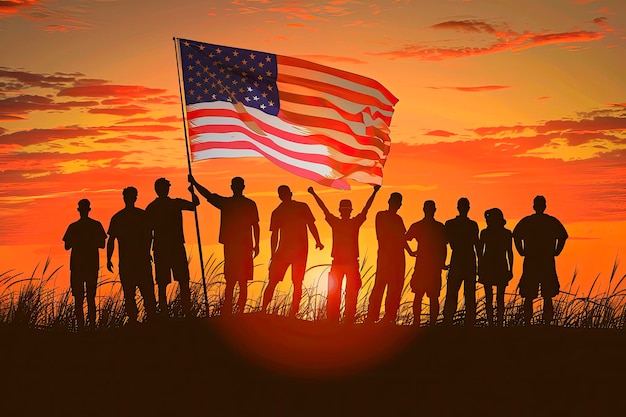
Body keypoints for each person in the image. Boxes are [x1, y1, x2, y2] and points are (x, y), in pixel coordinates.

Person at [308, 185, 380, 323]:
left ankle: (337, 319)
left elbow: (324, 209)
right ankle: (344, 319)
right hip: (347, 263)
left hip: (344, 263)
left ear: (341, 211)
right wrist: (374, 192)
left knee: (340, 293)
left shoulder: (339, 222)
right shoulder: (352, 223)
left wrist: (314, 194)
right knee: (348, 293)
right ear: (348, 211)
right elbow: (366, 208)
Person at [189, 175, 260, 315]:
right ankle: (233, 310)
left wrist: (194, 183)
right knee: (236, 280)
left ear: (232, 187)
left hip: (239, 247)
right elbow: (256, 226)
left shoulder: (232, 203)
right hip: (238, 246)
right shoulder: (243, 203)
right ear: (242, 187)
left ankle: (234, 310)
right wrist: (256, 244)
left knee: (235, 280)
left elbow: (255, 225)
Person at [261, 185, 324, 318]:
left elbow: (311, 224)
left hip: (297, 251)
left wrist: (318, 241)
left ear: (288, 194)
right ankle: (264, 310)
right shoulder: (279, 211)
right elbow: (274, 235)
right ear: (288, 194)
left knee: (294, 281)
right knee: (278, 281)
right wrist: (273, 254)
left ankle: (291, 312)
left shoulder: (299, 207)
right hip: (287, 251)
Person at [145, 178, 199, 318]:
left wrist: (192, 191)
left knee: (179, 280)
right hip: (167, 248)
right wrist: (192, 191)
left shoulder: (155, 207)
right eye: (164, 187)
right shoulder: (161, 206)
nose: (165, 190)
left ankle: (181, 310)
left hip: (169, 248)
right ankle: (170, 312)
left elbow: (194, 205)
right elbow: (147, 232)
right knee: (166, 282)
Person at [513, 196, 568, 325]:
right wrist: (557, 251)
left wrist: (521, 251)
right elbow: (563, 236)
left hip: (536, 261)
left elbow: (515, 235)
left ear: (534, 206)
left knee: (533, 294)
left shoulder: (529, 221)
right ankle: (539, 321)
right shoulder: (550, 221)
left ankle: (532, 321)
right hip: (543, 261)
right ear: (544, 206)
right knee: (541, 294)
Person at [106, 186, 157, 324]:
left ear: (135, 198)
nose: (128, 198)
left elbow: (149, 236)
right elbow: (111, 239)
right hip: (128, 262)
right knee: (130, 292)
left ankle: (151, 317)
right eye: (127, 196)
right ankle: (134, 319)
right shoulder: (119, 218)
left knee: (146, 290)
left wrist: (147, 251)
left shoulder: (141, 216)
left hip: (139, 260)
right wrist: (108, 259)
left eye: (130, 196)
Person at [365, 192, 413, 324]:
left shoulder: (397, 219)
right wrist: (407, 249)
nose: (398, 205)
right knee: (381, 286)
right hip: (387, 257)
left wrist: (409, 251)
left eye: (398, 202)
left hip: (395, 257)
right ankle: (373, 315)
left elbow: (403, 238)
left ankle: (388, 316)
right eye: (397, 202)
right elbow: (398, 237)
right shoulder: (382, 216)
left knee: (393, 288)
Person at [63, 199, 107, 330]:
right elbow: (102, 244)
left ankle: (84, 327)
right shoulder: (95, 225)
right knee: (88, 297)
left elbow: (67, 246)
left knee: (81, 298)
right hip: (87, 266)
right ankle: (88, 326)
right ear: (88, 209)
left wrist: (80, 241)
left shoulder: (74, 227)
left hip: (81, 266)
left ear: (79, 210)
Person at [405, 200, 447, 326]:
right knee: (429, 296)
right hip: (429, 266)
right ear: (434, 210)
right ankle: (426, 323)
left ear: (424, 209)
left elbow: (403, 238)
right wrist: (442, 263)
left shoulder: (419, 225)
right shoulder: (439, 227)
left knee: (423, 296)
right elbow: (444, 247)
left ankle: (419, 323)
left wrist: (410, 252)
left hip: (427, 266)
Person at [443, 197, 479, 326]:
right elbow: (477, 246)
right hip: (463, 259)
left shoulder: (452, 224)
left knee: (458, 292)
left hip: (463, 259)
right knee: (463, 293)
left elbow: (444, 243)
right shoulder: (470, 225)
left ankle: (452, 320)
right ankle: (461, 320)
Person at [478, 208, 513, 326]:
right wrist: (510, 269)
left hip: (495, 265)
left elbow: (509, 252)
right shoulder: (504, 233)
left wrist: (510, 269)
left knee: (493, 297)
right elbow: (480, 252)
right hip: (496, 265)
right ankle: (495, 322)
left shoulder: (487, 233)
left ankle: (495, 322)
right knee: (497, 297)